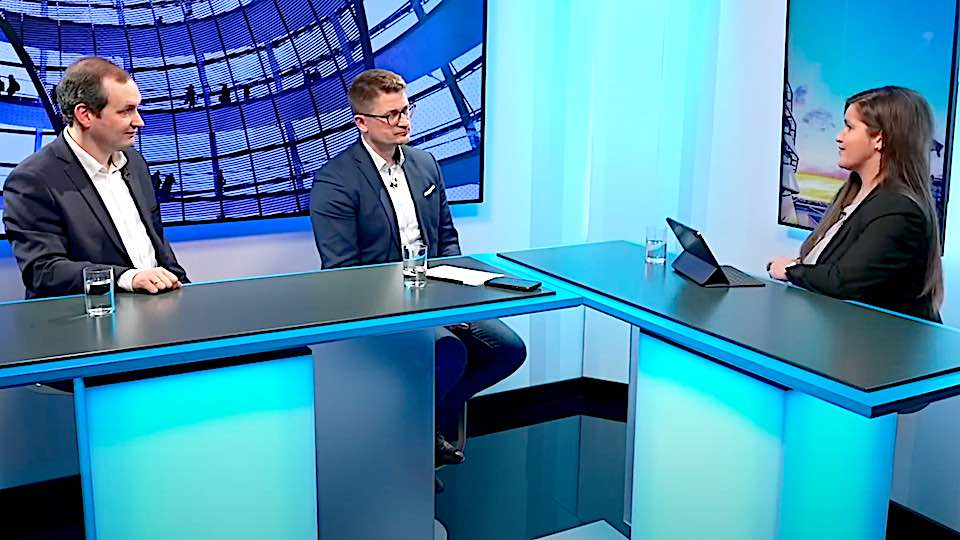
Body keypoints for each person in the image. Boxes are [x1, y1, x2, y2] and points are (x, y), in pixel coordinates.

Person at [310, 69, 526, 469]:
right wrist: (422, 310)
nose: (403, 122)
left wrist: (455, 303)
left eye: (406, 110)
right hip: (379, 308)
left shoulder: (425, 165)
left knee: (509, 350)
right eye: (390, 115)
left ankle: (419, 427)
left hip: (435, 295)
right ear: (362, 122)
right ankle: (414, 445)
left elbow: (447, 239)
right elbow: (343, 273)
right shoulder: (335, 181)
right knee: (449, 351)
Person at [3, 56, 188, 299]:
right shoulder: (32, 180)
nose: (139, 121)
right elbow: (43, 270)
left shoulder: (135, 162)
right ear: (85, 115)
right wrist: (126, 278)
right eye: (126, 111)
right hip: (91, 315)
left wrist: (183, 285)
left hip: (157, 306)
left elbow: (156, 242)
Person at [767, 86, 943, 322]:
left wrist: (790, 270)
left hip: (883, 341)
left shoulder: (900, 210)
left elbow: (844, 281)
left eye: (849, 127)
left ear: (880, 139)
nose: (839, 137)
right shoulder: (853, 193)